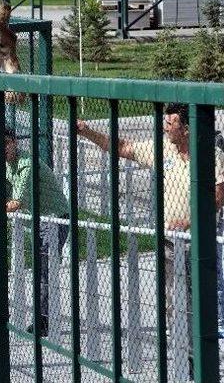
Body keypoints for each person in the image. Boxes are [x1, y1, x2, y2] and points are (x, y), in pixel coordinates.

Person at [77, 103, 224, 353]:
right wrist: (87, 131)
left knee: (203, 298)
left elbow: (219, 196)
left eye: (170, 123)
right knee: (173, 301)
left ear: (186, 129)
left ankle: (205, 355)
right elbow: (123, 147)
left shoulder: (210, 155)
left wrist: (190, 221)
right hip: (169, 240)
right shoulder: (163, 149)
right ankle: (184, 354)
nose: (164, 127)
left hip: (201, 238)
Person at [0, 127, 69, 336]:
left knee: (45, 270)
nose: (3, 148)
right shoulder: (7, 165)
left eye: (6, 143)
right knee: (40, 268)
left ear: (14, 142)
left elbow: (15, 203)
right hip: (38, 220)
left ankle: (44, 322)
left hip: (55, 218)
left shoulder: (26, 164)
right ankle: (37, 316)